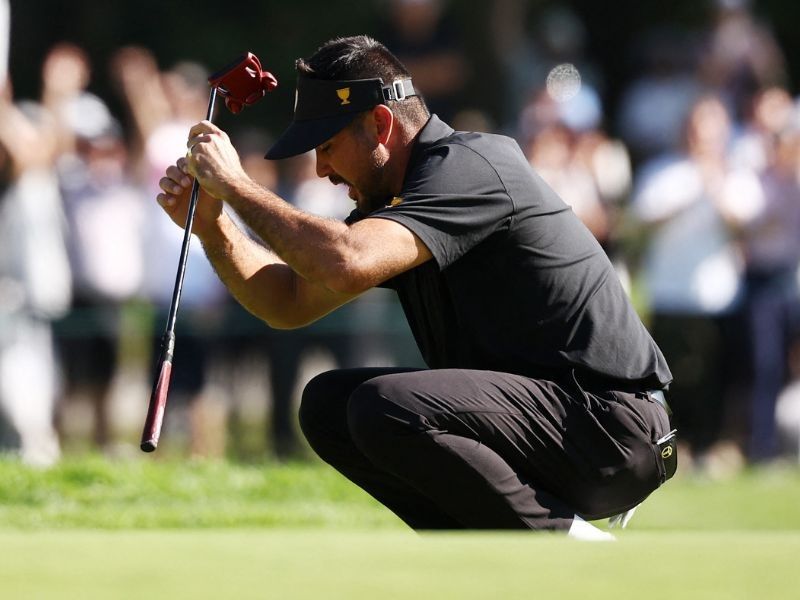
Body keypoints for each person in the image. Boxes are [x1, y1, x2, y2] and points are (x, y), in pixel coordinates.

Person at [156, 36, 675, 537]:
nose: (321, 169)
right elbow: (289, 302)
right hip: (559, 422)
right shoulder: (400, 201)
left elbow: (344, 261)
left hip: (612, 426)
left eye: (329, 145)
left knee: (386, 405)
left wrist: (239, 185)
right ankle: (486, 558)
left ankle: (573, 550)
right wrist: (214, 227)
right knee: (328, 406)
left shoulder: (469, 166)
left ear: (380, 124)